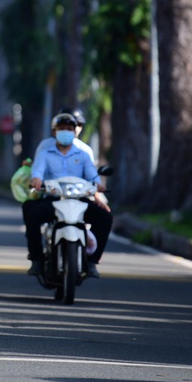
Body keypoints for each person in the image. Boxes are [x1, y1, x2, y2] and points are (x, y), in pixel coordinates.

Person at [22, 112, 112, 278]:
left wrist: (98, 187)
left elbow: (93, 176)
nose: (65, 132)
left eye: (69, 129)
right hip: (54, 199)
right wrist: (36, 181)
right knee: (31, 213)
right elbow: (38, 172)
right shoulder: (45, 153)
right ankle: (37, 260)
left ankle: (92, 261)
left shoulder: (83, 154)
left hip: (79, 199)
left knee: (105, 217)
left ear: (75, 131)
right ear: (54, 132)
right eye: (61, 129)